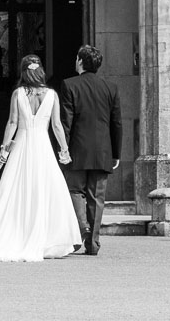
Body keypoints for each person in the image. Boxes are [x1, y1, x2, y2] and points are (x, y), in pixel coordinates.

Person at [0, 54, 82, 261]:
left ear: (24, 72)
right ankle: (45, 239)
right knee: (45, 190)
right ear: (40, 72)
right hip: (42, 147)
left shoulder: (18, 93)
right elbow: (56, 125)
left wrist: (4, 150)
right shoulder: (52, 95)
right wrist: (64, 149)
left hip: (22, 145)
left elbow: (12, 123)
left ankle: (17, 234)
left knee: (15, 191)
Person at [60, 44, 122, 257]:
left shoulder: (69, 85)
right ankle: (93, 242)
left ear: (79, 61)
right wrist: (116, 153)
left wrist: (63, 148)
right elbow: (117, 123)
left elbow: (65, 120)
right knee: (97, 197)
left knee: (75, 191)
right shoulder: (110, 87)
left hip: (77, 148)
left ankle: (83, 230)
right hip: (103, 151)